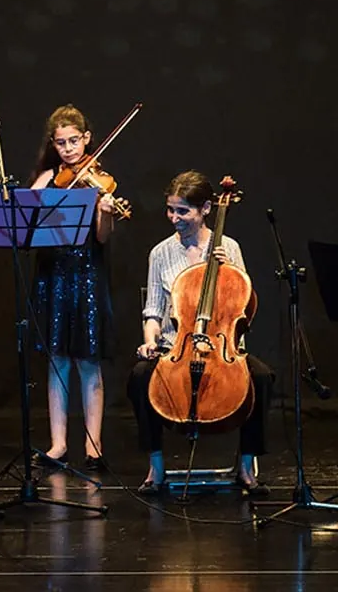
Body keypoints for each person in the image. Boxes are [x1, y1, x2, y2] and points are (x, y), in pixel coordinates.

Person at [127, 170, 276, 495]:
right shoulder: (160, 253)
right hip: (175, 348)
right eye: (170, 210)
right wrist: (150, 341)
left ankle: (246, 465)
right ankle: (155, 465)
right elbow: (153, 311)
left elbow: (242, 302)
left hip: (222, 349)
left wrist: (229, 268)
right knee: (139, 376)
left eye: (183, 211)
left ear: (206, 208)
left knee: (262, 378)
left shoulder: (229, 248)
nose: (174, 218)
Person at [28, 105, 123, 472]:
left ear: (86, 138)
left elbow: (102, 237)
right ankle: (58, 444)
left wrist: (106, 212)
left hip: (86, 275)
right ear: (53, 144)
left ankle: (93, 444)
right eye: (61, 142)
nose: (68, 149)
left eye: (74, 141)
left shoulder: (100, 182)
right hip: (53, 274)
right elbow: (28, 221)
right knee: (57, 360)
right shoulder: (47, 179)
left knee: (88, 362)